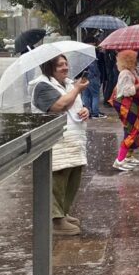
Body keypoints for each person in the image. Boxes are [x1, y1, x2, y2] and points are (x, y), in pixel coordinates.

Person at [30, 54, 90, 236]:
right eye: (60, 65)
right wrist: (77, 89)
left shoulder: (68, 84)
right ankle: (55, 220)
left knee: (72, 177)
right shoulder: (42, 86)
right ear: (49, 68)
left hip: (73, 139)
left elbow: (75, 107)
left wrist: (85, 111)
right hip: (57, 142)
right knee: (58, 179)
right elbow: (59, 105)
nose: (65, 67)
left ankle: (62, 212)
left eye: (66, 64)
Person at [110, 49, 139, 171]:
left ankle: (128, 156)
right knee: (133, 130)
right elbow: (127, 91)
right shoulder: (125, 73)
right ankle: (120, 160)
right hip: (126, 105)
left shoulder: (131, 71)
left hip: (132, 104)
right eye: (134, 59)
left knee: (132, 129)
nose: (136, 60)